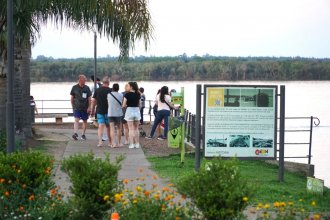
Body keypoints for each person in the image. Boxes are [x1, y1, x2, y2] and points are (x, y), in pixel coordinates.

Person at [91, 76, 112, 147]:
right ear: (109, 82)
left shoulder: (97, 90)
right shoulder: (111, 90)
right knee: (108, 127)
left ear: (102, 82)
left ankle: (100, 142)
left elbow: (93, 101)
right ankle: (110, 142)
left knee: (100, 126)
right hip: (109, 111)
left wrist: (92, 110)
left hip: (99, 110)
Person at [70, 74, 92, 140]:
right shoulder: (74, 87)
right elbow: (72, 98)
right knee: (76, 119)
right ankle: (75, 133)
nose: (85, 81)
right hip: (76, 107)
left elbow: (89, 98)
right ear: (80, 80)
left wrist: (89, 107)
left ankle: (83, 134)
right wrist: (72, 106)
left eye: (85, 80)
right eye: (84, 80)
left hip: (85, 107)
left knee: (85, 121)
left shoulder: (87, 88)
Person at [122, 82, 141, 149]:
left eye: (129, 86)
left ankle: (131, 144)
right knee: (136, 128)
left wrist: (125, 105)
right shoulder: (138, 94)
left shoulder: (127, 94)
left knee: (130, 129)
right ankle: (137, 144)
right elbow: (139, 104)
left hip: (129, 111)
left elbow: (124, 105)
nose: (128, 87)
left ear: (131, 87)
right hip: (136, 111)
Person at [108, 83, 124, 147]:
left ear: (112, 88)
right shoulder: (121, 95)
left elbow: (108, 103)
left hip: (111, 113)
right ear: (118, 88)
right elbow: (122, 103)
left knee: (112, 128)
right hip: (118, 113)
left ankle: (113, 143)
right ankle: (119, 143)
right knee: (119, 128)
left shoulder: (108, 95)